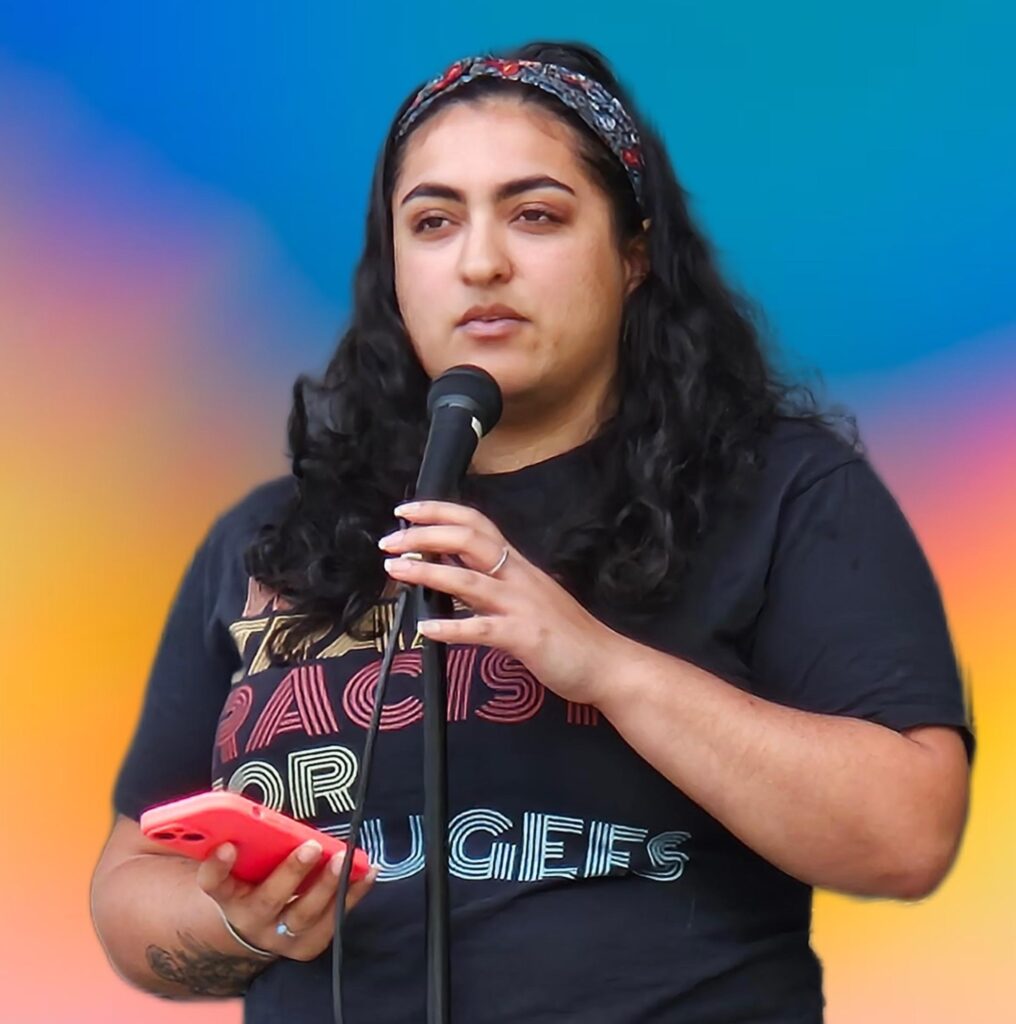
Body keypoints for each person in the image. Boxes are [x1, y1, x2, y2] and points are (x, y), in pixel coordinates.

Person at [90, 40, 974, 1024]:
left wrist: (601, 664)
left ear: (633, 254)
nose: (479, 260)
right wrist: (241, 925)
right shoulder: (269, 539)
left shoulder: (782, 492)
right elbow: (131, 881)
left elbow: (907, 832)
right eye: (432, 222)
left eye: (535, 214)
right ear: (393, 267)